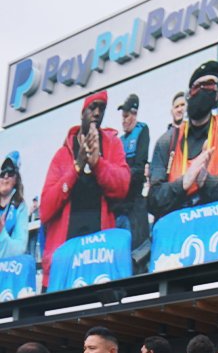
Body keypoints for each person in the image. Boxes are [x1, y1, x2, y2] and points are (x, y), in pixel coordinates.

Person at [39, 91, 131, 288]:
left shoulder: (113, 144)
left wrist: (98, 163)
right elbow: (45, 209)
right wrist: (76, 167)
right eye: (92, 107)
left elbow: (123, 186)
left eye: (102, 108)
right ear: (82, 112)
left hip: (100, 258)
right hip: (65, 262)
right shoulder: (62, 155)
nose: (97, 113)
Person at [148, 60, 218, 220]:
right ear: (189, 94)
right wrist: (184, 182)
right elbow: (153, 200)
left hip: (216, 224)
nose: (202, 90)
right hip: (178, 228)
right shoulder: (167, 141)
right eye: (197, 87)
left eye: (209, 86)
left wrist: (206, 179)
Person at [115, 93, 151, 269]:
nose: (123, 121)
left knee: (139, 251)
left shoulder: (142, 130)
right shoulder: (119, 141)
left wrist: (122, 176)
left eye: (127, 116)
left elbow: (139, 165)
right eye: (122, 116)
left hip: (135, 200)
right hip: (120, 204)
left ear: (134, 114)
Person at [0, 152, 30, 258]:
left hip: (8, 270)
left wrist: (1, 233)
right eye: (2, 173)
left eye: (10, 172)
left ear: (16, 179)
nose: (6, 176)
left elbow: (20, 248)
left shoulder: (20, 207)